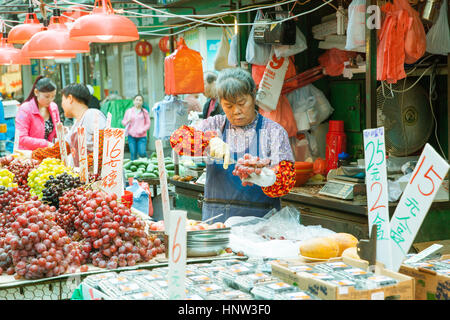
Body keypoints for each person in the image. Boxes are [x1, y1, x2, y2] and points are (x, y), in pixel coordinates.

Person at [170, 68, 296, 223]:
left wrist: (267, 177)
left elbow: (287, 181)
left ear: (253, 96)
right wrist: (208, 140)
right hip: (217, 222)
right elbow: (177, 139)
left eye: (242, 103)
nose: (236, 111)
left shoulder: (273, 132)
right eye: (228, 106)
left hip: (261, 225)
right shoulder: (214, 125)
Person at [61, 83, 106, 167]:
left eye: (63, 100)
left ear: (70, 98)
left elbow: (104, 147)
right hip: (83, 177)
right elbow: (63, 147)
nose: (61, 105)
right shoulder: (76, 124)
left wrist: (86, 165)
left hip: (96, 178)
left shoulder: (92, 114)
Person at [15, 76, 60, 150]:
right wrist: (46, 144)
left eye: (53, 96)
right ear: (36, 92)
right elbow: (21, 138)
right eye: (47, 96)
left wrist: (62, 131)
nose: (50, 100)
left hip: (47, 153)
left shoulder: (53, 107)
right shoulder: (25, 109)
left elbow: (56, 134)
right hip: (28, 155)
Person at [121, 94, 151, 160]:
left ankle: (144, 164)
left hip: (142, 136)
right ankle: (133, 168)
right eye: (136, 100)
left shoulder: (144, 112)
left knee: (142, 153)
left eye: (140, 100)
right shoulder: (129, 111)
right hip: (131, 136)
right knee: (133, 153)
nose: (138, 101)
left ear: (142, 102)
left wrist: (142, 130)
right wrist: (127, 121)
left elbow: (148, 124)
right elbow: (123, 122)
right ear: (133, 101)